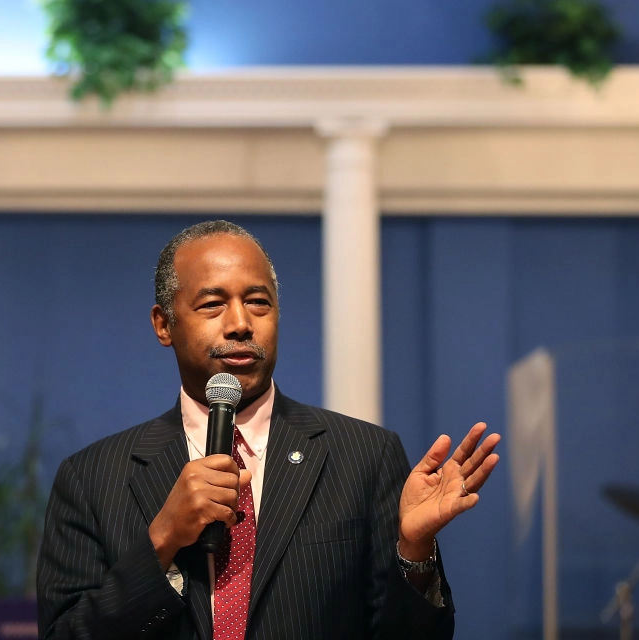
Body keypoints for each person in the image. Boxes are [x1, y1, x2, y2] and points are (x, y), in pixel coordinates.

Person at [37, 220, 500, 640]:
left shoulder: (365, 456)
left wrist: (414, 552)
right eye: (213, 304)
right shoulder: (91, 479)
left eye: (258, 302)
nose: (241, 324)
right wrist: (161, 541)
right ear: (164, 324)